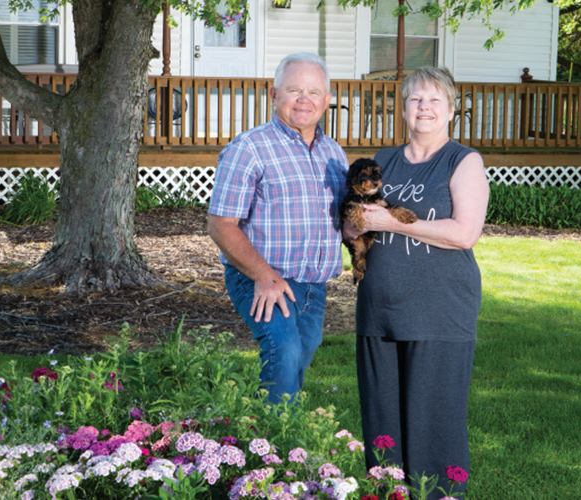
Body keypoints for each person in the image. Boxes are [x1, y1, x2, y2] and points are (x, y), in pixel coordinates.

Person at [348, 67, 489, 497]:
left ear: (450, 108)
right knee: (382, 424)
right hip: (380, 308)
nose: (424, 107)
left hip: (439, 310)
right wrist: (353, 227)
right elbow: (354, 224)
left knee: (434, 421)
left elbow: (464, 233)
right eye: (415, 100)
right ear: (403, 107)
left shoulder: (463, 160)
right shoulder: (382, 160)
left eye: (434, 100)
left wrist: (392, 221)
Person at [207, 53, 348, 404]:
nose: (305, 100)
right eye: (294, 90)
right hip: (263, 276)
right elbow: (221, 224)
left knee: (299, 357)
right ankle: (273, 449)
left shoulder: (334, 153)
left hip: (313, 285)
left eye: (314, 92)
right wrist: (263, 275)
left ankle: (264, 433)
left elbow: (343, 220)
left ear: (327, 100)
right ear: (273, 95)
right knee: (284, 352)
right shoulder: (250, 148)